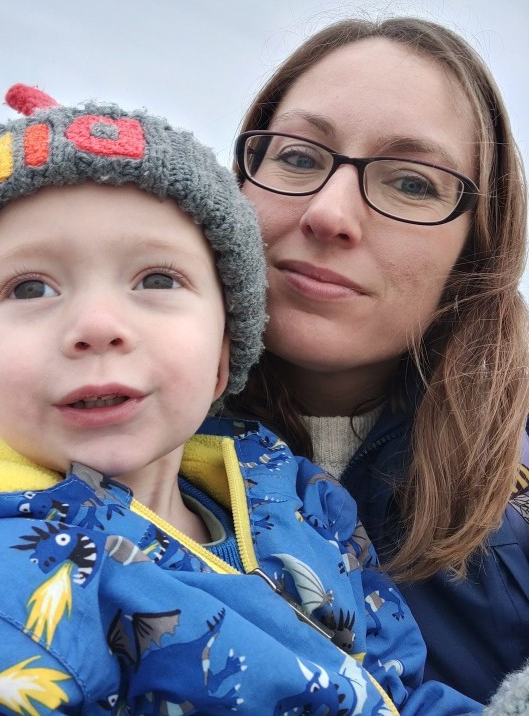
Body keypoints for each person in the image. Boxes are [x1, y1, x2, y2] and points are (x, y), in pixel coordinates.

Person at [0, 84, 480, 715]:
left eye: (157, 279)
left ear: (224, 357)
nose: (97, 324)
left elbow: (399, 686)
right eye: (30, 288)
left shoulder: (295, 495)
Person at [227, 16, 529, 706]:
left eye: (413, 184)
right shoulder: (85, 442)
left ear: (475, 251)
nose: (330, 214)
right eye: (299, 157)